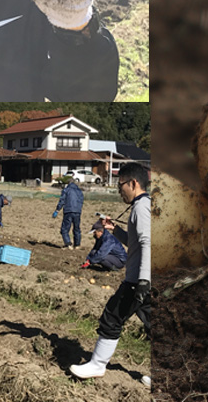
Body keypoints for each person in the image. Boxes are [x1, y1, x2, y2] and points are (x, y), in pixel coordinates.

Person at [70, 163, 150, 381]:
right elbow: (134, 243)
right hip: (147, 278)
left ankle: (97, 364)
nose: (118, 190)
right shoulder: (144, 205)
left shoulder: (142, 207)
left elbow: (147, 243)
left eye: (120, 185)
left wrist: (143, 280)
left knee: (112, 317)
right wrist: (115, 230)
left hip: (138, 279)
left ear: (133, 183)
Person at [54, 179, 83, 249]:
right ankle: (77, 245)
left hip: (68, 211)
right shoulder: (79, 191)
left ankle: (68, 244)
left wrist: (57, 210)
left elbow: (62, 200)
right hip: (77, 211)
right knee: (76, 228)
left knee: (65, 229)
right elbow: (81, 201)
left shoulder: (66, 190)